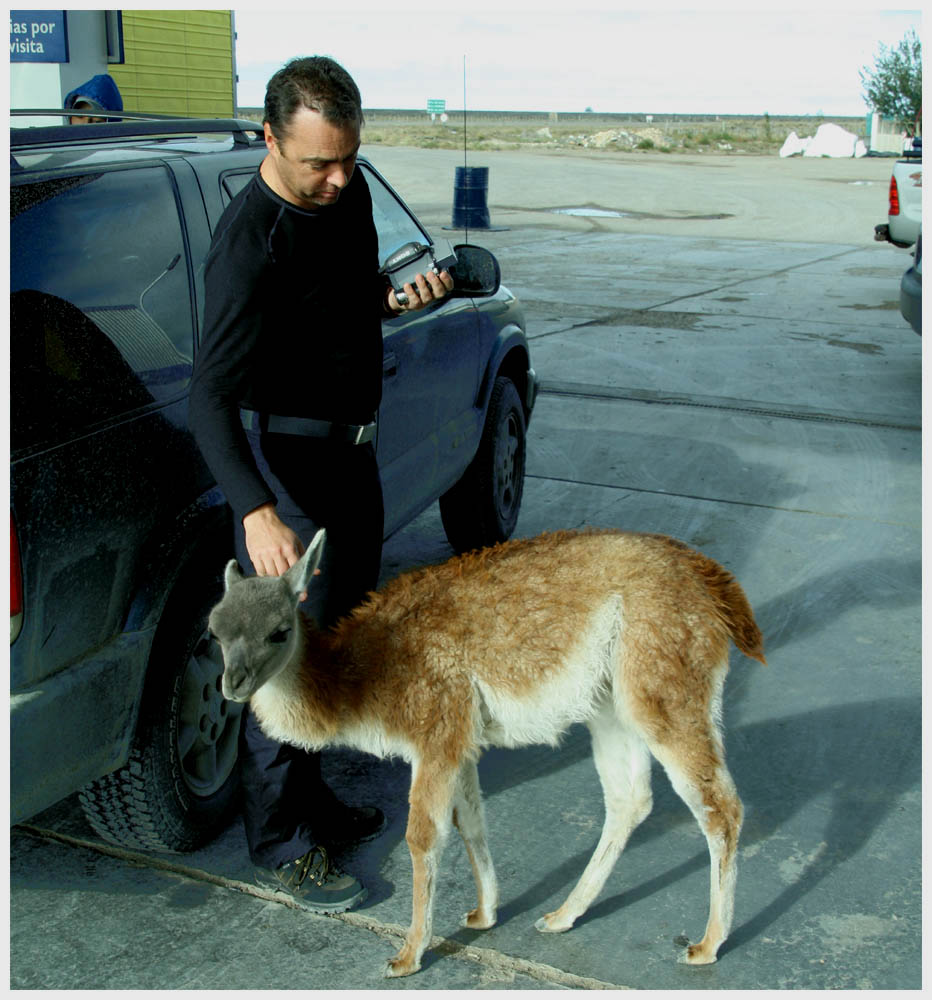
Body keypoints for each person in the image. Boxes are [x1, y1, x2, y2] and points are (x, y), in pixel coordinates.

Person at [188, 56, 453, 912]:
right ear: (270, 139)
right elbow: (209, 398)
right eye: (319, 164)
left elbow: (348, 302)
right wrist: (256, 511)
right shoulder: (247, 242)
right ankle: (280, 845)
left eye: (350, 156)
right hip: (286, 476)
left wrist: (399, 298)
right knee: (278, 669)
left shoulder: (350, 195)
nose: (340, 178)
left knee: (333, 648)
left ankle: (314, 803)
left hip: (354, 462)